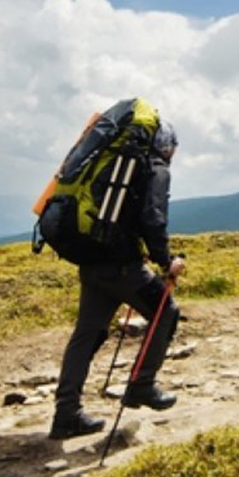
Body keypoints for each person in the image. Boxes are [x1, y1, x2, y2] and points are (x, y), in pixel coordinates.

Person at [48, 122, 187, 440]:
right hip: (123, 266)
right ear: (168, 146)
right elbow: (153, 217)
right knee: (166, 312)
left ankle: (65, 414)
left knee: (86, 334)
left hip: (91, 260)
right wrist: (167, 261)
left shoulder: (113, 163)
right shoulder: (155, 167)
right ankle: (141, 385)